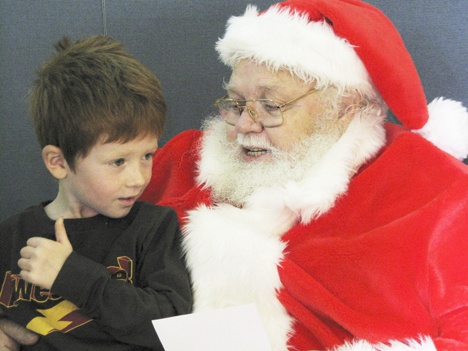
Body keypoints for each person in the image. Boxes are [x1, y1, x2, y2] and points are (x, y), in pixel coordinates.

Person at [140, 0, 468, 350]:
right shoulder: (178, 162)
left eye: (271, 106)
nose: (244, 126)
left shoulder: (436, 193)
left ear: (344, 108)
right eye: (236, 104)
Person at [0, 35, 192, 350]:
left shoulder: (154, 228)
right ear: (59, 162)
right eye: (118, 161)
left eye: (147, 156)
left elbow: (173, 325)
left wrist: (73, 276)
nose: (138, 178)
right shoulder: (11, 235)